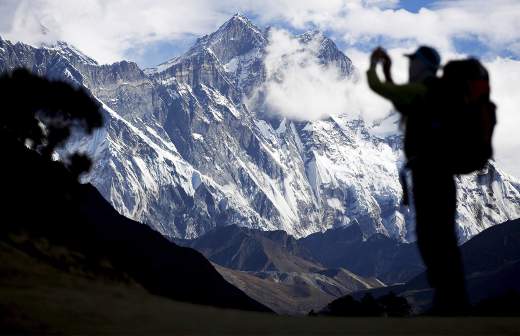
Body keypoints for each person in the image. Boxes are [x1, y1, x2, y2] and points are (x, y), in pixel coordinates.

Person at [367, 46, 469, 315]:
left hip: (428, 176)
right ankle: (453, 299)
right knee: (442, 237)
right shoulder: (434, 95)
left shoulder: (421, 91)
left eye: (413, 62)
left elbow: (383, 90)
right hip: (443, 177)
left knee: (430, 238)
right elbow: (400, 101)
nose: (409, 66)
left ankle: (449, 302)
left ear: (424, 65)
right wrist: (390, 72)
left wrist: (374, 66)